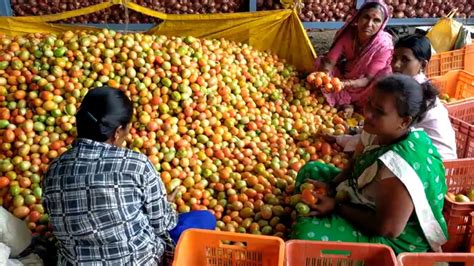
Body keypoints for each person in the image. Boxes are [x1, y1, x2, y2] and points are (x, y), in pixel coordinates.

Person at [42, 87, 215, 265]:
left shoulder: (53, 170)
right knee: (205, 219)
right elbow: (163, 224)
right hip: (138, 261)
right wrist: (166, 204)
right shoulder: (135, 164)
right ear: (117, 131)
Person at [292, 75, 448, 254]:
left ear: (404, 122)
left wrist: (337, 206)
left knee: (306, 236)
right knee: (310, 170)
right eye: (369, 104)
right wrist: (331, 186)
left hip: (393, 238)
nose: (367, 113)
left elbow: (387, 228)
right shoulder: (376, 130)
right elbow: (355, 162)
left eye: (379, 111)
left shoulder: (399, 166)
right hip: (362, 198)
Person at [335, 34, 457, 159]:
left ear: (423, 65)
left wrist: (341, 140)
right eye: (394, 58)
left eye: (405, 60)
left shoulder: (413, 95)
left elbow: (382, 134)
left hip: (434, 163)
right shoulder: (406, 87)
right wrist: (353, 132)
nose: (396, 65)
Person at [316, 0, 393, 109]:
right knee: (320, 62)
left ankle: (349, 102)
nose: (369, 24)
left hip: (365, 85)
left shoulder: (383, 45)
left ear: (382, 24)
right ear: (358, 17)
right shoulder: (348, 34)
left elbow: (368, 79)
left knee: (384, 77)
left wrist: (344, 84)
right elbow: (330, 61)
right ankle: (342, 100)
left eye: (376, 20)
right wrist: (325, 77)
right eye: (366, 17)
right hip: (344, 76)